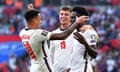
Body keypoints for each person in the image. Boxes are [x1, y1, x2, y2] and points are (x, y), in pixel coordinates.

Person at [19, 9, 88, 72]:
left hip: (34, 67)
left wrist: (31, 11)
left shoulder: (22, 32)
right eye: (39, 19)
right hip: (43, 67)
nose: (41, 22)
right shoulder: (37, 33)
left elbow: (31, 23)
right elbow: (62, 35)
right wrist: (76, 23)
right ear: (33, 20)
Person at [69, 7, 99, 72]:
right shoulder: (74, 33)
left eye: (74, 17)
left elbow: (94, 54)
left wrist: (84, 42)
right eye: (71, 17)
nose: (71, 20)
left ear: (83, 19)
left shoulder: (89, 32)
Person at [48, 6, 75, 72]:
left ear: (71, 17)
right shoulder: (54, 33)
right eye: (61, 14)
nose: (63, 16)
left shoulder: (76, 33)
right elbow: (51, 54)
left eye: (66, 14)